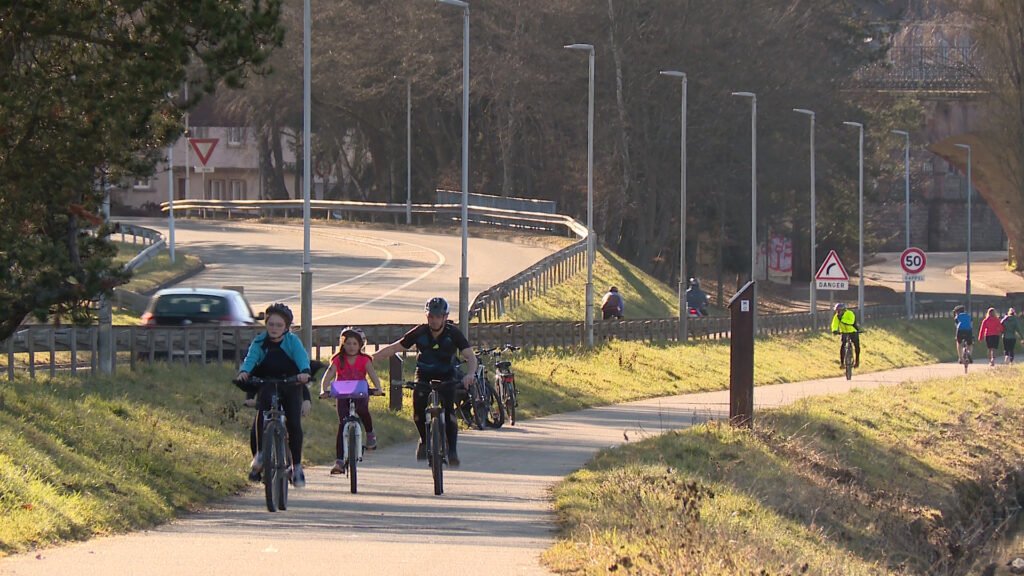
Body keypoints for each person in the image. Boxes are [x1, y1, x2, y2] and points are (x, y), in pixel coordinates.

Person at [371, 297, 477, 467]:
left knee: (449, 412)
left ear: (445, 317)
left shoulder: (453, 333)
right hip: (424, 374)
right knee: (418, 411)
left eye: (438, 316)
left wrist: (470, 374)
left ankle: (452, 451)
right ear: (427, 316)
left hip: (447, 375)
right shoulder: (420, 332)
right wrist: (370, 358)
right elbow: (394, 348)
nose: (434, 320)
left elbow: (470, 356)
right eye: (431, 316)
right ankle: (425, 440)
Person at [235, 303, 312, 488]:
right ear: (266, 324)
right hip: (268, 382)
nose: (274, 329)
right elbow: (251, 359)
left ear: (286, 327)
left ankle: (297, 467)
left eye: (279, 325)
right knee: (261, 415)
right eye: (271, 324)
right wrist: (245, 372)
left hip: (291, 383)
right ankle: (260, 455)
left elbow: (301, 358)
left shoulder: (293, 342)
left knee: (293, 423)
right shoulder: (259, 342)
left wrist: (304, 371)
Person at [320, 327, 383, 474]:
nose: (351, 347)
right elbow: (328, 375)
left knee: (363, 411)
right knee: (342, 424)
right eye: (348, 343)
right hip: (342, 394)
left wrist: (378, 388)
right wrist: (324, 389)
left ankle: (369, 433)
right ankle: (339, 461)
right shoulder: (338, 359)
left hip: (360, 393)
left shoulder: (364, 360)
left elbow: (373, 374)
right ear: (343, 344)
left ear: (360, 345)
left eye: (355, 344)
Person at [830, 302, 860, 368]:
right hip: (844, 332)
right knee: (843, 346)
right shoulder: (837, 316)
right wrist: (834, 330)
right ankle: (842, 363)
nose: (838, 312)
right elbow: (834, 324)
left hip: (852, 331)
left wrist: (842, 319)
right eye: (837, 311)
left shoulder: (850, 313)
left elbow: (851, 322)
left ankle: (857, 361)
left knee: (856, 346)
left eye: (839, 311)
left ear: (843, 310)